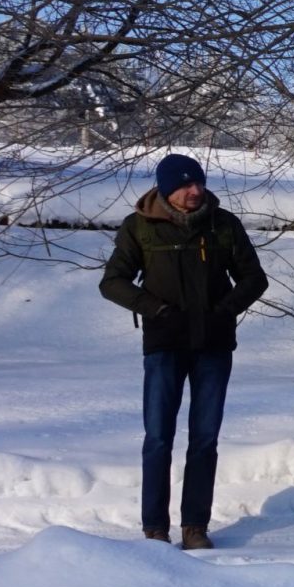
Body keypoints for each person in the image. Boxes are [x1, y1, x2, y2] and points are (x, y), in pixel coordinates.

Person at [99, 152, 269, 549]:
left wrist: (225, 311)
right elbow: (113, 282)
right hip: (164, 345)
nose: (196, 191)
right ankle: (154, 528)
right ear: (167, 188)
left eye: (199, 183)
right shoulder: (139, 227)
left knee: (205, 438)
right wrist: (155, 310)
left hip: (213, 346)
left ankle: (195, 527)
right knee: (158, 436)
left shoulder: (223, 225)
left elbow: (254, 278)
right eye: (186, 185)